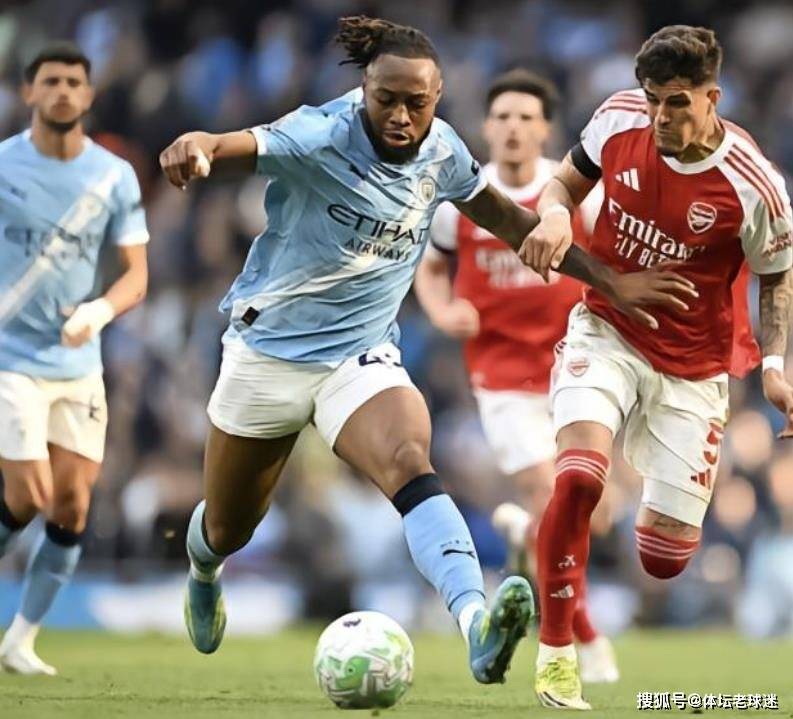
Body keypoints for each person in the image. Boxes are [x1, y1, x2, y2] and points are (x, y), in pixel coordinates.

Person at [159, 15, 686, 684]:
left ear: (437, 97)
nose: (402, 117)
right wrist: (198, 146)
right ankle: (205, 568)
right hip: (268, 355)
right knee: (229, 527)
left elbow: (511, 222)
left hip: (359, 357)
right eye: (387, 100)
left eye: (418, 102)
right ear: (364, 92)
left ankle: (476, 625)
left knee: (410, 460)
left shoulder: (443, 151)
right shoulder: (320, 133)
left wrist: (610, 280)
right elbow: (232, 143)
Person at [519, 25, 793, 710]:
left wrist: (774, 363)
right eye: (651, 100)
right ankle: (556, 653)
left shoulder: (754, 185)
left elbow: (776, 276)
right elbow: (562, 184)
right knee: (579, 475)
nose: (659, 117)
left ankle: (554, 557)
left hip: (692, 368)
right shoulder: (617, 120)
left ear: (711, 98)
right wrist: (553, 214)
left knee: (663, 559)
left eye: (675, 103)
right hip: (606, 329)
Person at [413, 68, 617, 684]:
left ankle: (525, 536)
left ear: (546, 130)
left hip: (577, 366)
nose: (513, 127)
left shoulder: (575, 194)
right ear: (486, 126)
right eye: (502, 116)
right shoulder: (464, 198)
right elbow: (430, 267)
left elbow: (613, 257)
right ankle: (584, 637)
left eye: (526, 117)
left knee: (595, 515)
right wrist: (442, 310)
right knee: (556, 498)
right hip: (502, 378)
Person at [0, 42, 149, 675]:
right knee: (28, 493)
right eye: (51, 81)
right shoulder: (3, 166)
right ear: (28, 92)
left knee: (72, 506)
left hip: (78, 362)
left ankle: (20, 641)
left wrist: (100, 311)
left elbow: (136, 274)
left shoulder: (114, 176)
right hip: (8, 357)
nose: (62, 91)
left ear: (89, 95)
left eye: (73, 82)